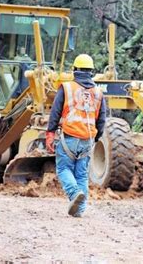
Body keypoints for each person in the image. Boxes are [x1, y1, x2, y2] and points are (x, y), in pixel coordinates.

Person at [46, 54, 106, 217]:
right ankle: (79, 210)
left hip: (69, 138)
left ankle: (74, 194)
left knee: (64, 168)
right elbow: (101, 120)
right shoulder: (98, 92)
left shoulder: (66, 88)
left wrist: (50, 133)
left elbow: (55, 112)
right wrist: (95, 138)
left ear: (75, 70)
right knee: (81, 174)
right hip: (87, 139)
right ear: (91, 71)